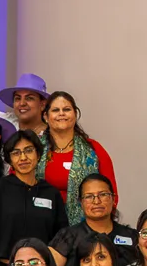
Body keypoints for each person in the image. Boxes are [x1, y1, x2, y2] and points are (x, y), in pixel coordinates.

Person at [0, 130, 67, 266]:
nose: (23, 157)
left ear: (38, 154)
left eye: (28, 150)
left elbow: (62, 236)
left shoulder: (51, 193)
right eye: (16, 153)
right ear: (9, 159)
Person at [38, 91, 117, 224]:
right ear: (46, 116)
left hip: (85, 230)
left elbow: (112, 194)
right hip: (41, 224)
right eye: (56, 110)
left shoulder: (94, 149)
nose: (61, 113)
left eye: (67, 109)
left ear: (75, 114)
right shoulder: (34, 149)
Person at [49, 174, 138, 266]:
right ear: (80, 202)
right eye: (89, 196)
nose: (96, 201)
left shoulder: (131, 237)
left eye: (103, 194)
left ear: (113, 198)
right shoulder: (67, 237)